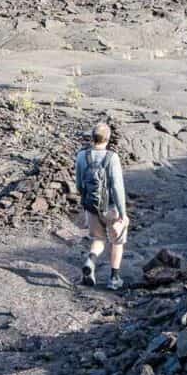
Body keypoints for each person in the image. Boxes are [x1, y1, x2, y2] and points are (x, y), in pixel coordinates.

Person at [75, 122, 128, 290]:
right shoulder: (112, 157)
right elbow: (117, 187)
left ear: (92, 137)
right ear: (108, 138)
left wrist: (87, 201)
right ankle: (114, 279)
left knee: (98, 239)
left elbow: (79, 184)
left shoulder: (82, 156)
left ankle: (90, 261)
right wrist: (123, 213)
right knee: (117, 242)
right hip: (111, 208)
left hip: (91, 206)